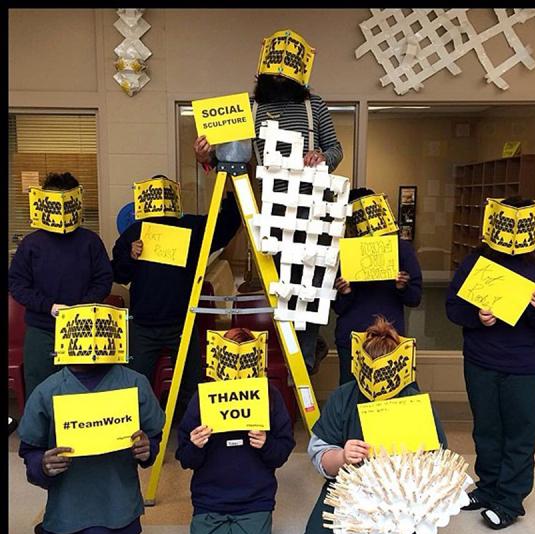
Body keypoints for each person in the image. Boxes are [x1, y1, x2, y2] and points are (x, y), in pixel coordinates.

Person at [193, 29, 343, 375]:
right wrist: (205, 155)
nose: (278, 77)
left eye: (285, 72)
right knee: (277, 291)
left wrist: (322, 156)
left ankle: (304, 358)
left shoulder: (314, 106)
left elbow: (336, 149)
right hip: (270, 210)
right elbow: (230, 161)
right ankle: (279, 361)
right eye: (273, 72)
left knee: (307, 291)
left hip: (310, 211)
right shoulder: (248, 108)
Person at [16, 303, 165, 534]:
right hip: (69, 517)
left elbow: (154, 435)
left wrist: (148, 450)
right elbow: (29, 451)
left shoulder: (135, 384)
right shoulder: (48, 391)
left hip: (119, 514)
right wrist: (43, 465)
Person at [445, 196, 535, 530]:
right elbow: (453, 308)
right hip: (481, 360)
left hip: (524, 366)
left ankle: (510, 500)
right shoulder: (476, 261)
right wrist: (477, 316)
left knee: (519, 434)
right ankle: (488, 488)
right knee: (487, 428)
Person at [301, 316, 447, 534]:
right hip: (349, 491)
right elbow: (319, 453)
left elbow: (439, 466)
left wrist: (414, 467)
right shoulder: (344, 396)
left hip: (401, 501)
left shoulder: (414, 402)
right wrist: (342, 456)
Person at [176, 328, 295, 534]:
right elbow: (184, 456)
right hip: (210, 501)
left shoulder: (270, 396)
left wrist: (266, 444)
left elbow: (283, 451)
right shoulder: (202, 398)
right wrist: (195, 445)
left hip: (254, 501)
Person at [111, 174, 241, 411]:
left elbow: (228, 224)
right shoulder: (134, 232)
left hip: (182, 323)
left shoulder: (190, 227)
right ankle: (139, 435)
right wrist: (130, 256)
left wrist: (230, 187)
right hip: (143, 326)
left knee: (192, 386)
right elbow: (118, 274)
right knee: (134, 387)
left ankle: (191, 436)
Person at [8, 172, 113, 400]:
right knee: (40, 392)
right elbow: (17, 284)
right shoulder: (31, 244)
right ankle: (43, 436)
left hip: (83, 327)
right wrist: (49, 306)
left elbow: (104, 279)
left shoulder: (90, 241)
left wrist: (80, 307)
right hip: (42, 328)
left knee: (84, 391)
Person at [333, 188, 423, 385]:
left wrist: (402, 287)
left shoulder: (401, 249)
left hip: (389, 340)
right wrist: (345, 292)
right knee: (352, 398)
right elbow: (337, 308)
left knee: (390, 399)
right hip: (352, 338)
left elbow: (415, 298)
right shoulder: (342, 251)